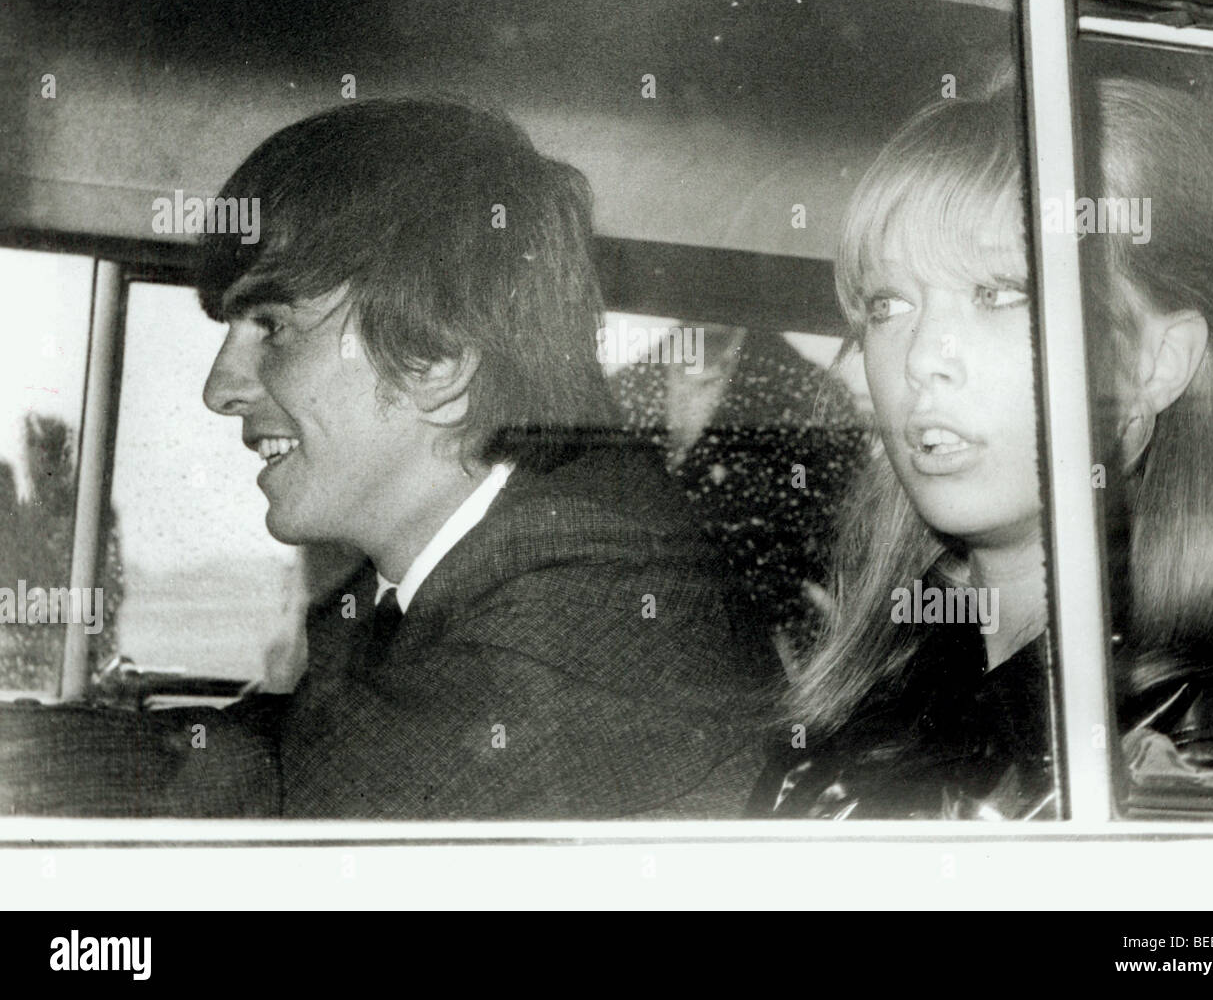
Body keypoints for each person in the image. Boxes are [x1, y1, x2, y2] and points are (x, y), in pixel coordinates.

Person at [156, 97, 762, 819]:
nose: (219, 388)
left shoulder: (582, 599)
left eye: (272, 326)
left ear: (437, 359)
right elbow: (291, 744)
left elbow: (312, 845)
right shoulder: (428, 584)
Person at [749, 78, 1213, 820]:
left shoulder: (1200, 748)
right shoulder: (884, 671)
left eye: (1000, 293)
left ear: (1155, 364)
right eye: (887, 305)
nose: (919, 361)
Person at [611, 323, 865, 674]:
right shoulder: (618, 393)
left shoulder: (815, 396)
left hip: (762, 662)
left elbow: (845, 555)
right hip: (632, 647)